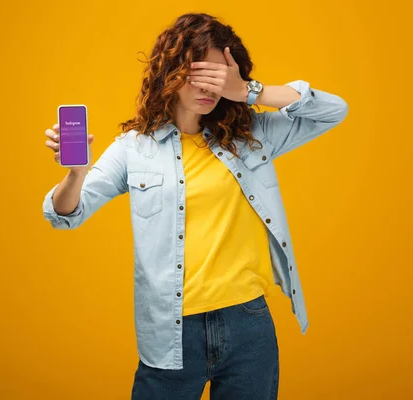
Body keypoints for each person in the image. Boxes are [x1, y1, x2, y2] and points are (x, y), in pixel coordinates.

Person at [42, 12, 348, 400]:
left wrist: (249, 91)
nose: (211, 86)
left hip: (247, 323)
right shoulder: (134, 149)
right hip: (170, 332)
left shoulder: (252, 135)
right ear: (171, 71)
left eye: (221, 76)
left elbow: (333, 110)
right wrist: (75, 174)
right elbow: (64, 215)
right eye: (200, 72)